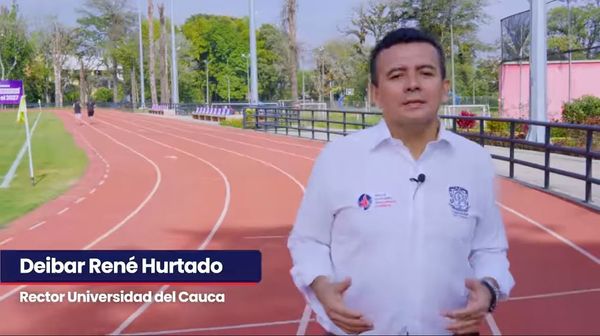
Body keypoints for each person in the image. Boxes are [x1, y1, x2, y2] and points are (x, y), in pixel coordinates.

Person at [287, 28, 514, 335]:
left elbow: (490, 248)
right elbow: (308, 241)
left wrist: (488, 290)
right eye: (396, 75)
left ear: (444, 87)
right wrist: (322, 286)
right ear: (375, 92)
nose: (413, 85)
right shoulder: (338, 157)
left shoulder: (474, 161)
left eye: (426, 73)